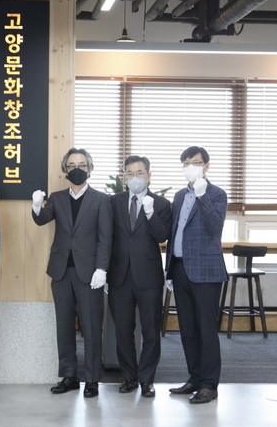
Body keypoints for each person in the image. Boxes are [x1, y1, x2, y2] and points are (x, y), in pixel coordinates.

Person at [31, 148, 112, 399]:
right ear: (65, 170)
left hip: (90, 274)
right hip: (61, 272)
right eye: (72, 165)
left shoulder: (102, 200)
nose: (77, 169)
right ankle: (69, 376)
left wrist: (102, 268)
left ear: (90, 168)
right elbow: (41, 219)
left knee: (91, 327)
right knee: (64, 326)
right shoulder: (57, 198)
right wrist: (36, 205)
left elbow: (105, 238)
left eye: (82, 165)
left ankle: (92, 378)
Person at [166, 146, 228, 404]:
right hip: (180, 269)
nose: (191, 166)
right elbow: (174, 232)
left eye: (196, 162)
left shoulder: (216, 194)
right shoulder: (180, 195)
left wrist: (202, 196)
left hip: (206, 272)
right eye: (187, 163)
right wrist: (169, 270)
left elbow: (215, 227)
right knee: (188, 330)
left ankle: (209, 385)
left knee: (206, 330)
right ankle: (195, 377)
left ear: (206, 166)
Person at [108, 155, 172, 397]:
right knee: (123, 331)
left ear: (149, 176)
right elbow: (106, 237)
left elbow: (162, 236)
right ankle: (129, 378)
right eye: (130, 173)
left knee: (150, 331)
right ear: (124, 177)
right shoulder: (113, 202)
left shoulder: (162, 204)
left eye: (140, 173)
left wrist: (150, 213)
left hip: (149, 278)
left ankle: (147, 380)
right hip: (119, 276)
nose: (135, 177)